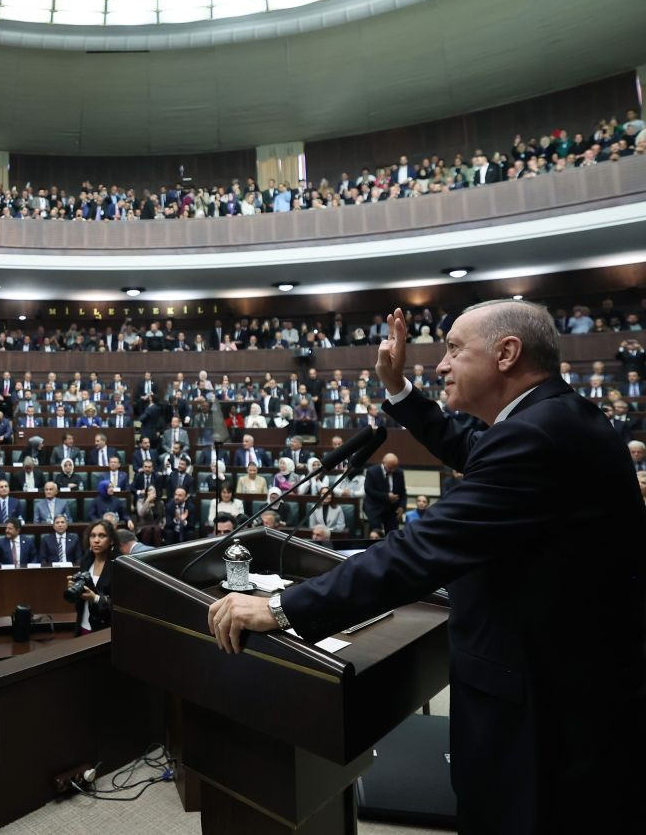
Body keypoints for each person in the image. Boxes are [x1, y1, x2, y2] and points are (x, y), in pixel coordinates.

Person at [206, 301, 646, 834]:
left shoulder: (537, 436)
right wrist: (398, 392)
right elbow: (468, 445)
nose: (440, 364)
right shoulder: (553, 418)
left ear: (507, 354)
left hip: (544, 718)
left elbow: (416, 552)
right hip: (565, 690)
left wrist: (280, 607)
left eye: (455, 349)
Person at [66, 519, 117, 635]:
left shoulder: (117, 566)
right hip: (83, 624)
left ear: (111, 540)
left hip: (105, 630)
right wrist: (75, 588)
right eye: (92, 536)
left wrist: (95, 598)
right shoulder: (86, 560)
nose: (96, 540)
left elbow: (120, 606)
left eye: (102, 536)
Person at [362, 452, 406, 533]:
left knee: (393, 532)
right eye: (390, 467)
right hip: (374, 506)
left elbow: (403, 492)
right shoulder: (372, 471)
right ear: (383, 463)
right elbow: (368, 490)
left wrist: (402, 506)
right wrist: (386, 496)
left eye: (395, 467)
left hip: (391, 508)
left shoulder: (399, 473)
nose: (393, 470)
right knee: (376, 531)